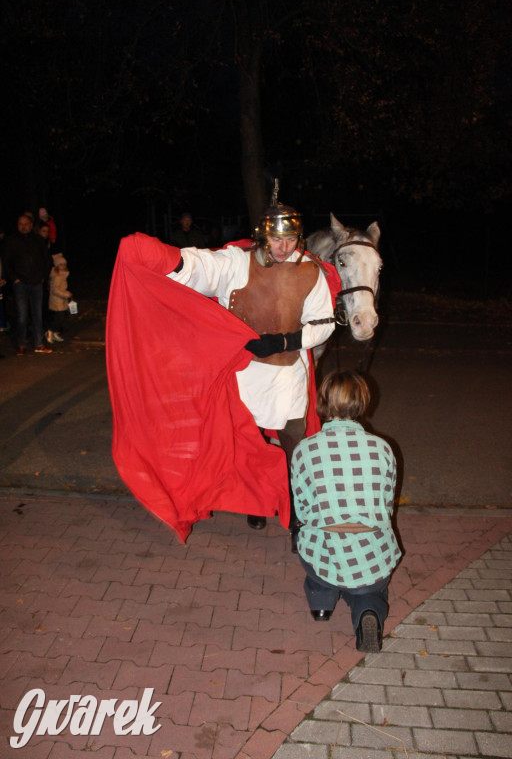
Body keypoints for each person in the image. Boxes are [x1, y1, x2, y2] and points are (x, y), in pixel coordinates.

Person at [106, 186, 337, 545]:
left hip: (287, 374)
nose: (284, 248)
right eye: (277, 239)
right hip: (242, 374)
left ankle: (298, 516)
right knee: (250, 444)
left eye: (290, 239)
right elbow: (200, 266)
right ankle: (258, 505)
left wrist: (286, 341)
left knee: (294, 445)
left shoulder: (310, 272)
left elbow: (322, 323)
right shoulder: (237, 261)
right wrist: (161, 256)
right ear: (263, 236)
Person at [291, 370, 401, 652]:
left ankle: (321, 605)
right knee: (371, 591)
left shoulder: (305, 450)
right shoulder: (383, 449)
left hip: (324, 550)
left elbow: (302, 510)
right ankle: (368, 611)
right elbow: (386, 507)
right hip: (371, 553)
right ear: (362, 403)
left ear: (323, 402)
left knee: (314, 560)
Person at [3, 213, 52, 354]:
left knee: (37, 315)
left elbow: (46, 260)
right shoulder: (12, 241)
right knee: (22, 315)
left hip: (36, 282)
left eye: (26, 224)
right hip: (21, 283)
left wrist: (43, 276)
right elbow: (7, 261)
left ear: (31, 225)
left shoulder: (38, 240)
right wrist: (14, 278)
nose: (23, 227)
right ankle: (21, 344)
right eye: (20, 224)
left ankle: (39, 343)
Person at [46, 254, 72, 343]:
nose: (63, 266)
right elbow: (55, 290)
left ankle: (55, 332)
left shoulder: (63, 276)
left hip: (62, 300)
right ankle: (50, 331)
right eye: (61, 265)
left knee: (61, 317)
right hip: (57, 301)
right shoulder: (57, 276)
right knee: (58, 318)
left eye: (64, 264)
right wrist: (65, 294)